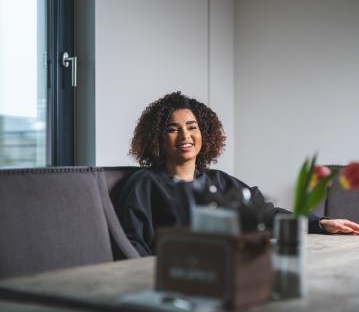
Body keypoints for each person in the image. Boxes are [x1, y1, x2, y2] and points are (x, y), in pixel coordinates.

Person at [117, 92, 359, 256]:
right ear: (157, 139)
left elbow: (266, 215)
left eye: (192, 127)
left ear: (205, 133)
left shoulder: (219, 181)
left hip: (221, 274)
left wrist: (320, 223)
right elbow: (132, 243)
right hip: (172, 282)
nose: (185, 137)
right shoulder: (144, 184)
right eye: (172, 129)